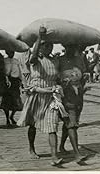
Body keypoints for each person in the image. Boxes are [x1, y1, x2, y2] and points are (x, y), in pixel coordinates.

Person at [17, 27, 63, 166]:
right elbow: (34, 54)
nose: (49, 47)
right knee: (33, 125)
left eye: (50, 45)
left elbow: (57, 78)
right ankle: (31, 148)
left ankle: (54, 156)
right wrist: (39, 37)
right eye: (46, 45)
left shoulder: (55, 60)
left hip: (51, 98)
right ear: (40, 47)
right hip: (37, 97)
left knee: (52, 126)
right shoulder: (35, 60)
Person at [58, 44, 88, 163]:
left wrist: (82, 88)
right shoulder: (60, 60)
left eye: (73, 47)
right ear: (65, 47)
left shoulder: (80, 60)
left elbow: (83, 76)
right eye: (68, 47)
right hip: (66, 96)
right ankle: (77, 154)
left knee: (70, 123)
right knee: (72, 124)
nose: (71, 49)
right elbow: (54, 76)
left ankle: (61, 146)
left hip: (78, 97)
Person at [1, 50, 23, 126]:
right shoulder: (4, 61)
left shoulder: (16, 61)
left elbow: (19, 71)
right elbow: (3, 71)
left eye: (13, 52)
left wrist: (21, 81)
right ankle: (7, 119)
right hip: (7, 82)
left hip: (15, 81)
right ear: (7, 52)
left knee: (16, 100)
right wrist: (6, 78)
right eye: (10, 52)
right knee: (6, 101)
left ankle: (12, 116)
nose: (12, 54)